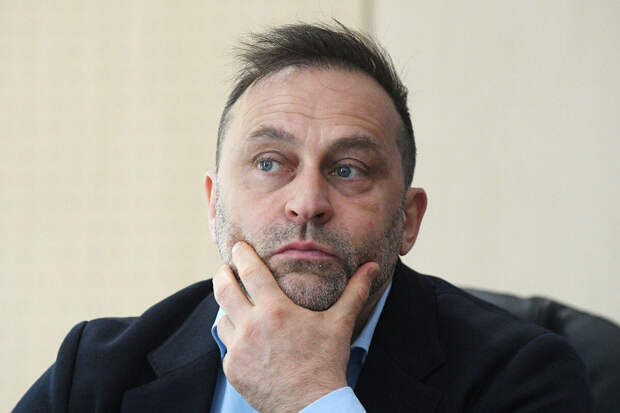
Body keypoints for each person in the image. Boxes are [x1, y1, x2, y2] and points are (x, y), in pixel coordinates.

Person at [14, 22, 592, 413]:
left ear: (409, 219)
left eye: (349, 169)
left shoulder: (523, 376)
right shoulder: (95, 371)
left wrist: (312, 398)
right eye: (270, 163)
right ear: (214, 204)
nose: (307, 201)